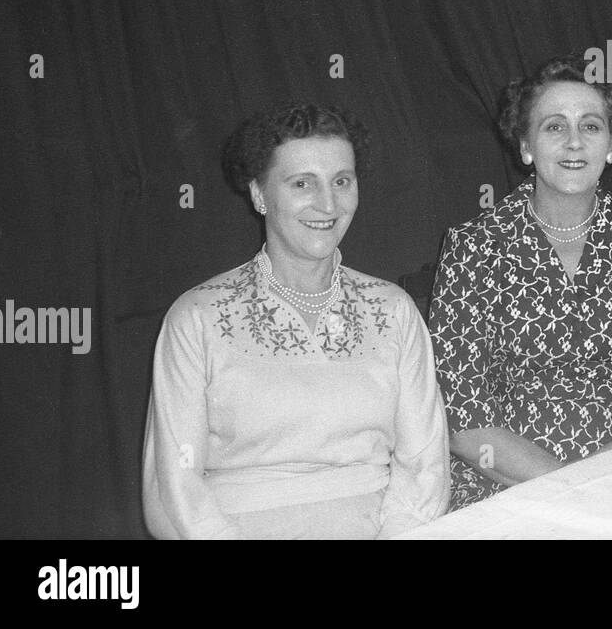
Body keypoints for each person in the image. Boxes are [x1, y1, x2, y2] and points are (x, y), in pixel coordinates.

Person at [142, 103, 449, 538]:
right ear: (260, 194)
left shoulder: (393, 311)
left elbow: (424, 467)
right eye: (303, 183)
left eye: (341, 181)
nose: (327, 203)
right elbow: (177, 485)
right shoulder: (197, 318)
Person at [429, 54, 612, 508]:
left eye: (591, 127)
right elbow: (464, 418)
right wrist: (570, 489)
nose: (574, 142)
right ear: (526, 147)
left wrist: (603, 482)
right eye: (554, 127)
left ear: (611, 146)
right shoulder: (472, 248)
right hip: (501, 489)